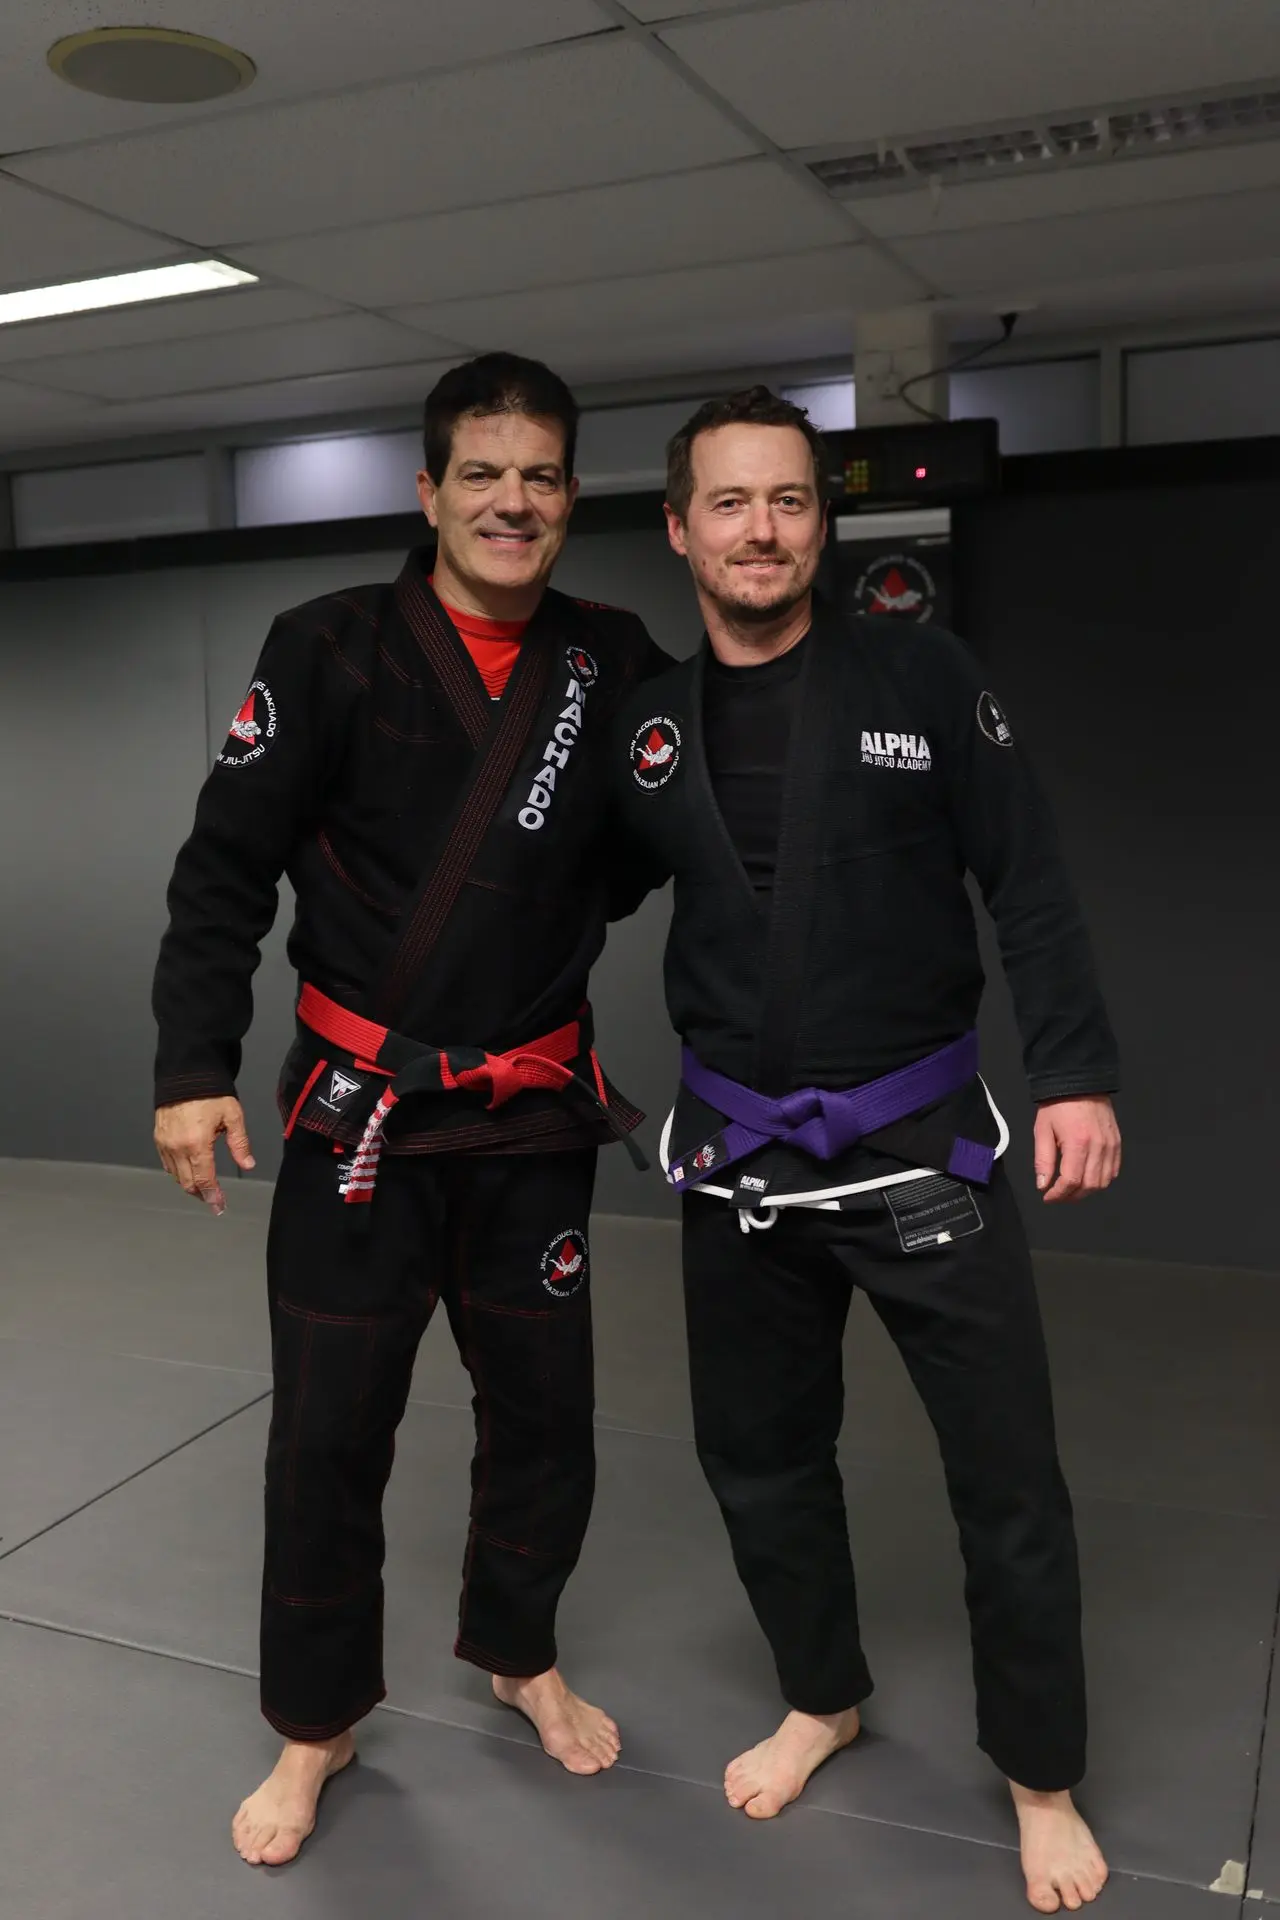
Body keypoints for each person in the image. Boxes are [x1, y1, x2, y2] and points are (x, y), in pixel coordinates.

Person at [152, 352, 670, 1868]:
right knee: (327, 1436)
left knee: (548, 1420)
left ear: (572, 497)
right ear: (429, 488)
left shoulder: (615, 658)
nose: (516, 501)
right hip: (358, 1120)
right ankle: (317, 1726)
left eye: (545, 476)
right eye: (485, 473)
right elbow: (221, 870)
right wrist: (193, 1066)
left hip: (527, 1118)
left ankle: (519, 1647)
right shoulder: (325, 647)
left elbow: (643, 849)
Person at [611, 387, 1121, 1915]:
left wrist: (1079, 1076)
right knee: (761, 1463)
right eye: (730, 503)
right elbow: (552, 904)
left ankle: (1041, 1778)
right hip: (743, 1171)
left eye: (789, 502)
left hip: (922, 1155)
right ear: (681, 527)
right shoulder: (649, 731)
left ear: (820, 523)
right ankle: (822, 1695)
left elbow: (1026, 881)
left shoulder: (922, 671)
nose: (761, 531)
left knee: (1006, 1480)